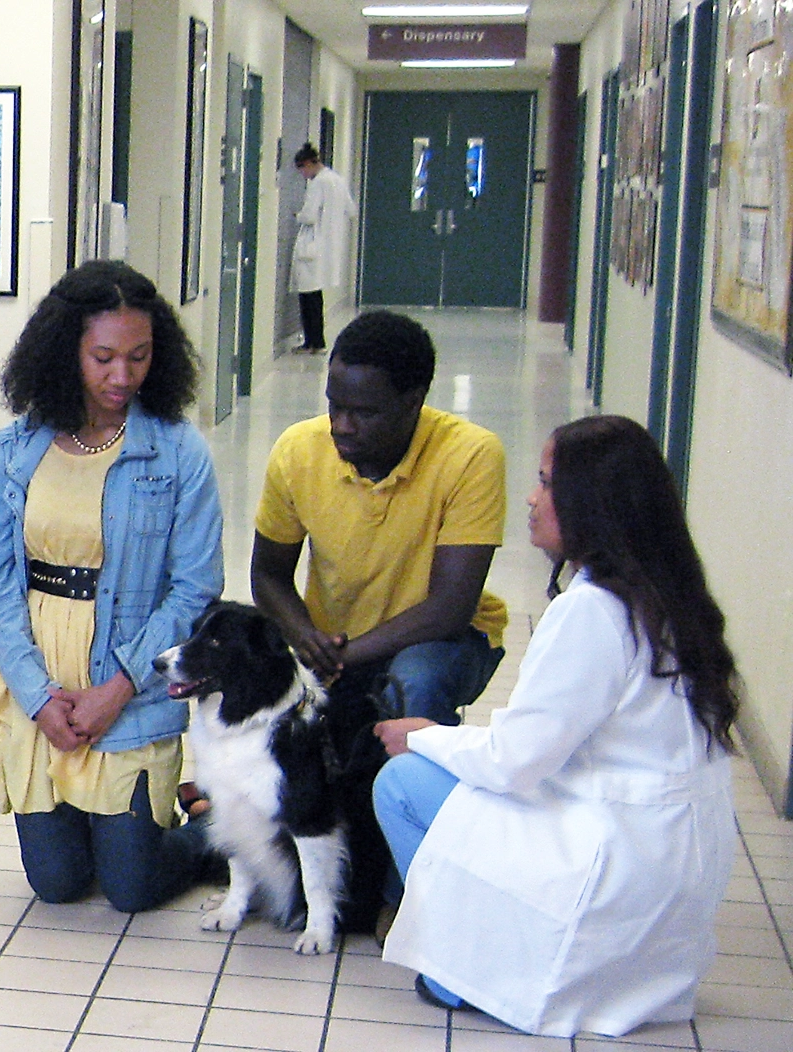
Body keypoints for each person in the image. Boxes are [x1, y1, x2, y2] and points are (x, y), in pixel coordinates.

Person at [373, 415, 739, 1038]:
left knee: (404, 781)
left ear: (593, 504)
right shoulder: (671, 594)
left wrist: (423, 735)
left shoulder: (592, 611)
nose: (531, 498)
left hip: (617, 868)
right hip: (667, 870)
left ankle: (461, 969)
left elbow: (515, 761)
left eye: (546, 483)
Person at [0, 260, 224, 913]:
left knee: (131, 891)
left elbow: (195, 587)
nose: (122, 377)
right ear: (64, 351)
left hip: (129, 678)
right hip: (39, 675)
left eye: (139, 357)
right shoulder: (16, 448)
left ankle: (209, 835)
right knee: (57, 885)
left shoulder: (178, 451)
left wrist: (119, 688)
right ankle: (97, 824)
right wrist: (33, 692)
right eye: (103, 357)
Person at [252, 309, 507, 728]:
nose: (342, 426)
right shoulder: (297, 450)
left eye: (365, 413)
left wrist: (343, 659)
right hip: (333, 640)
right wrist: (308, 641)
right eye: (334, 406)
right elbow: (269, 575)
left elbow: (450, 609)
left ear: (413, 402)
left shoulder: (471, 455)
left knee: (414, 680)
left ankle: (413, 790)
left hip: (445, 640)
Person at [290, 143, 356, 353]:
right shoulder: (338, 180)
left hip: (312, 245)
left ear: (309, 163)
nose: (302, 174)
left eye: (302, 169)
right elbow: (351, 211)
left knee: (308, 297)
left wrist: (297, 216)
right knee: (315, 295)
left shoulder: (318, 183)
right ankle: (315, 341)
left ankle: (314, 341)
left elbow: (309, 215)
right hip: (328, 246)